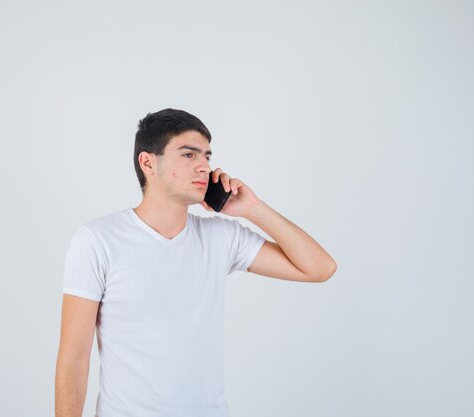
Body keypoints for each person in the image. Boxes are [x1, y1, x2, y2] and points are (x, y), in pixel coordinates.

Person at [55, 108, 337, 417]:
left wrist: (253, 209)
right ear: (148, 162)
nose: (204, 167)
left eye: (207, 156)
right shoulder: (98, 239)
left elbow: (319, 268)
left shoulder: (222, 237)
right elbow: (74, 356)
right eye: (189, 155)